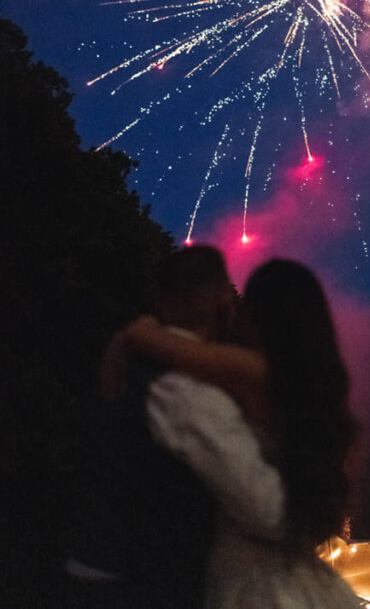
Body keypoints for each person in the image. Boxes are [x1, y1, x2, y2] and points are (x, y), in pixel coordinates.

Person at [121, 258, 361, 609]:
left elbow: (173, 348)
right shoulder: (333, 405)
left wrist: (135, 332)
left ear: (258, 316)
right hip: (308, 578)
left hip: (251, 581)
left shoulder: (252, 373)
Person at [66, 244, 248, 609]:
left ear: (160, 299)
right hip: (145, 585)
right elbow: (256, 502)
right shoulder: (196, 389)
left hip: (88, 569)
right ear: (220, 301)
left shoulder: (116, 362)